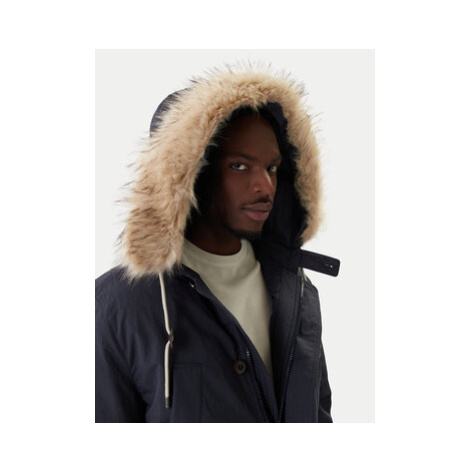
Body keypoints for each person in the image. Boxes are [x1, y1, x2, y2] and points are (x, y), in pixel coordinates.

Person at [95, 66, 340, 423]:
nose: (265, 186)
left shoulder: (295, 289)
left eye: (272, 168)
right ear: (189, 174)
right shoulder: (119, 304)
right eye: (239, 166)